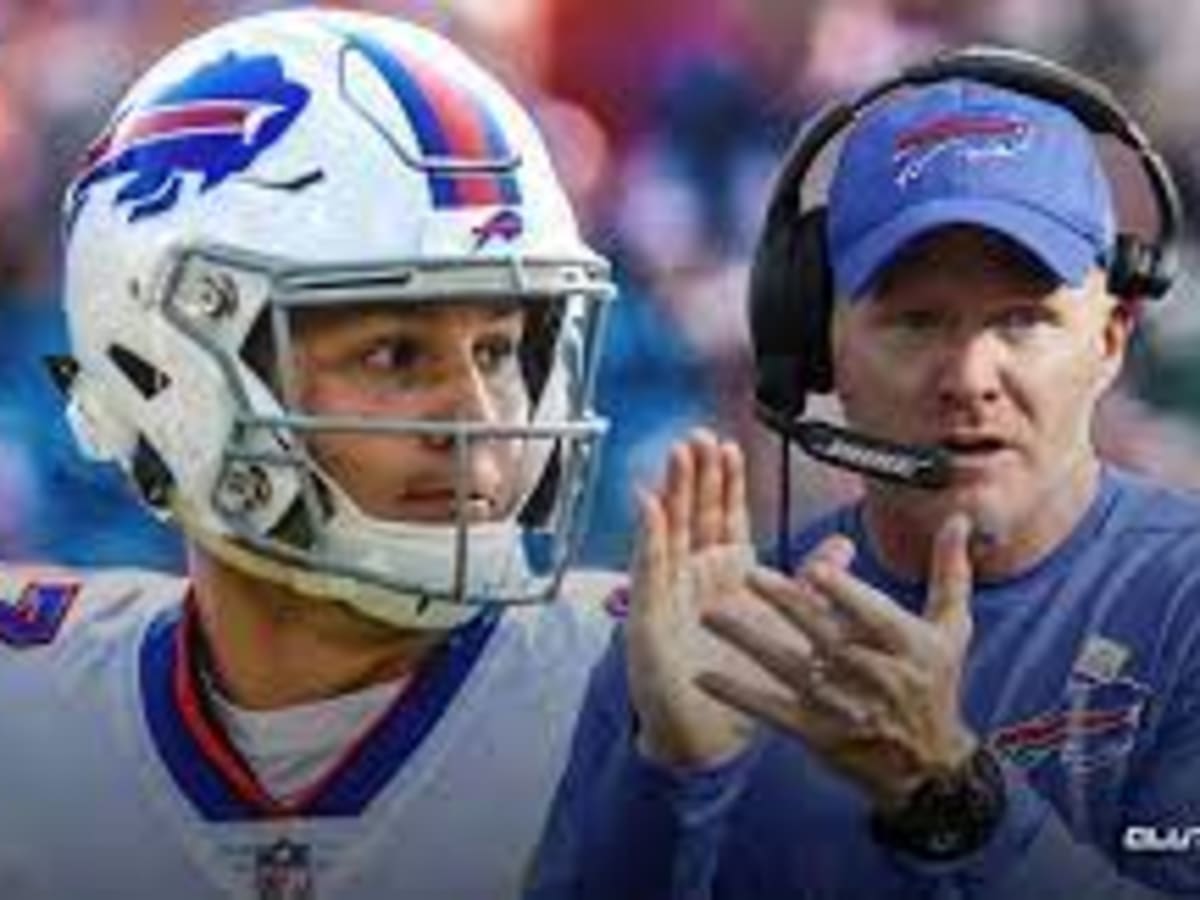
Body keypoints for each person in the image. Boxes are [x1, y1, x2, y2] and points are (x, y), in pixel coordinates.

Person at [527, 50, 1200, 898]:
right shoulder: (706, 634)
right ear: (818, 347)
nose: (969, 375)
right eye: (916, 322)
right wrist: (673, 779)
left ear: (1111, 338)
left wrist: (952, 795)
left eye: (1023, 320)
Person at [0, 8, 620, 899]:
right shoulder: (32, 720)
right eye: (394, 355)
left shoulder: (654, 695)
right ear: (164, 373)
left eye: (496, 348)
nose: (478, 417)